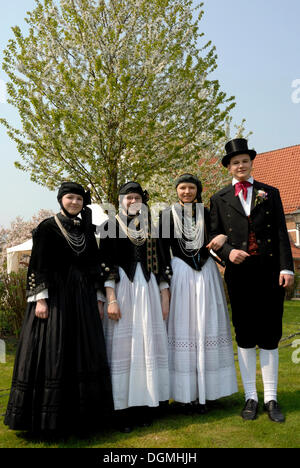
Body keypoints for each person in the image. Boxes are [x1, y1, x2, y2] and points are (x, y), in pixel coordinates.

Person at [5, 182, 114, 435]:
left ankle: (83, 418)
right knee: (55, 350)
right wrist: (40, 300)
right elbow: (38, 265)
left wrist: (98, 297)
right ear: (60, 199)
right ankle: (48, 420)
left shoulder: (86, 228)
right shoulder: (47, 227)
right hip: (56, 299)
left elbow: (94, 264)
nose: (74, 202)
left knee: (82, 352)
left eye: (78, 198)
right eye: (70, 198)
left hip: (83, 299)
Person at [209, 138, 294, 423]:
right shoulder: (218, 199)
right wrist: (229, 251)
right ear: (229, 168)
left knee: (270, 335)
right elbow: (214, 237)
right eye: (235, 162)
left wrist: (287, 268)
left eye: (244, 161)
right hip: (240, 275)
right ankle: (251, 397)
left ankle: (271, 398)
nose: (240, 166)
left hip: (270, 272)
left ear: (250, 163)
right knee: (244, 335)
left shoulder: (271, 193)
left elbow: (282, 232)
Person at [159, 174, 237, 414]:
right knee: (185, 327)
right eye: (182, 187)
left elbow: (220, 236)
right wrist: (165, 280)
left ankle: (211, 391)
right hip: (182, 273)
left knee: (207, 325)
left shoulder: (207, 212)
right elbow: (162, 250)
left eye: (191, 187)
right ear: (177, 190)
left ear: (197, 190)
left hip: (207, 272)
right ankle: (186, 394)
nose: (186, 192)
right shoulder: (166, 215)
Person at [98, 182, 170, 433]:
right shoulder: (109, 226)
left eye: (137, 197)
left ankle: (146, 405)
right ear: (121, 200)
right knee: (124, 349)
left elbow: (160, 264)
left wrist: (164, 297)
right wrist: (112, 299)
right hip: (123, 291)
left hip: (148, 291)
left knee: (146, 345)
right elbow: (105, 265)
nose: (133, 201)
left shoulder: (151, 228)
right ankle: (122, 408)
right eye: (128, 197)